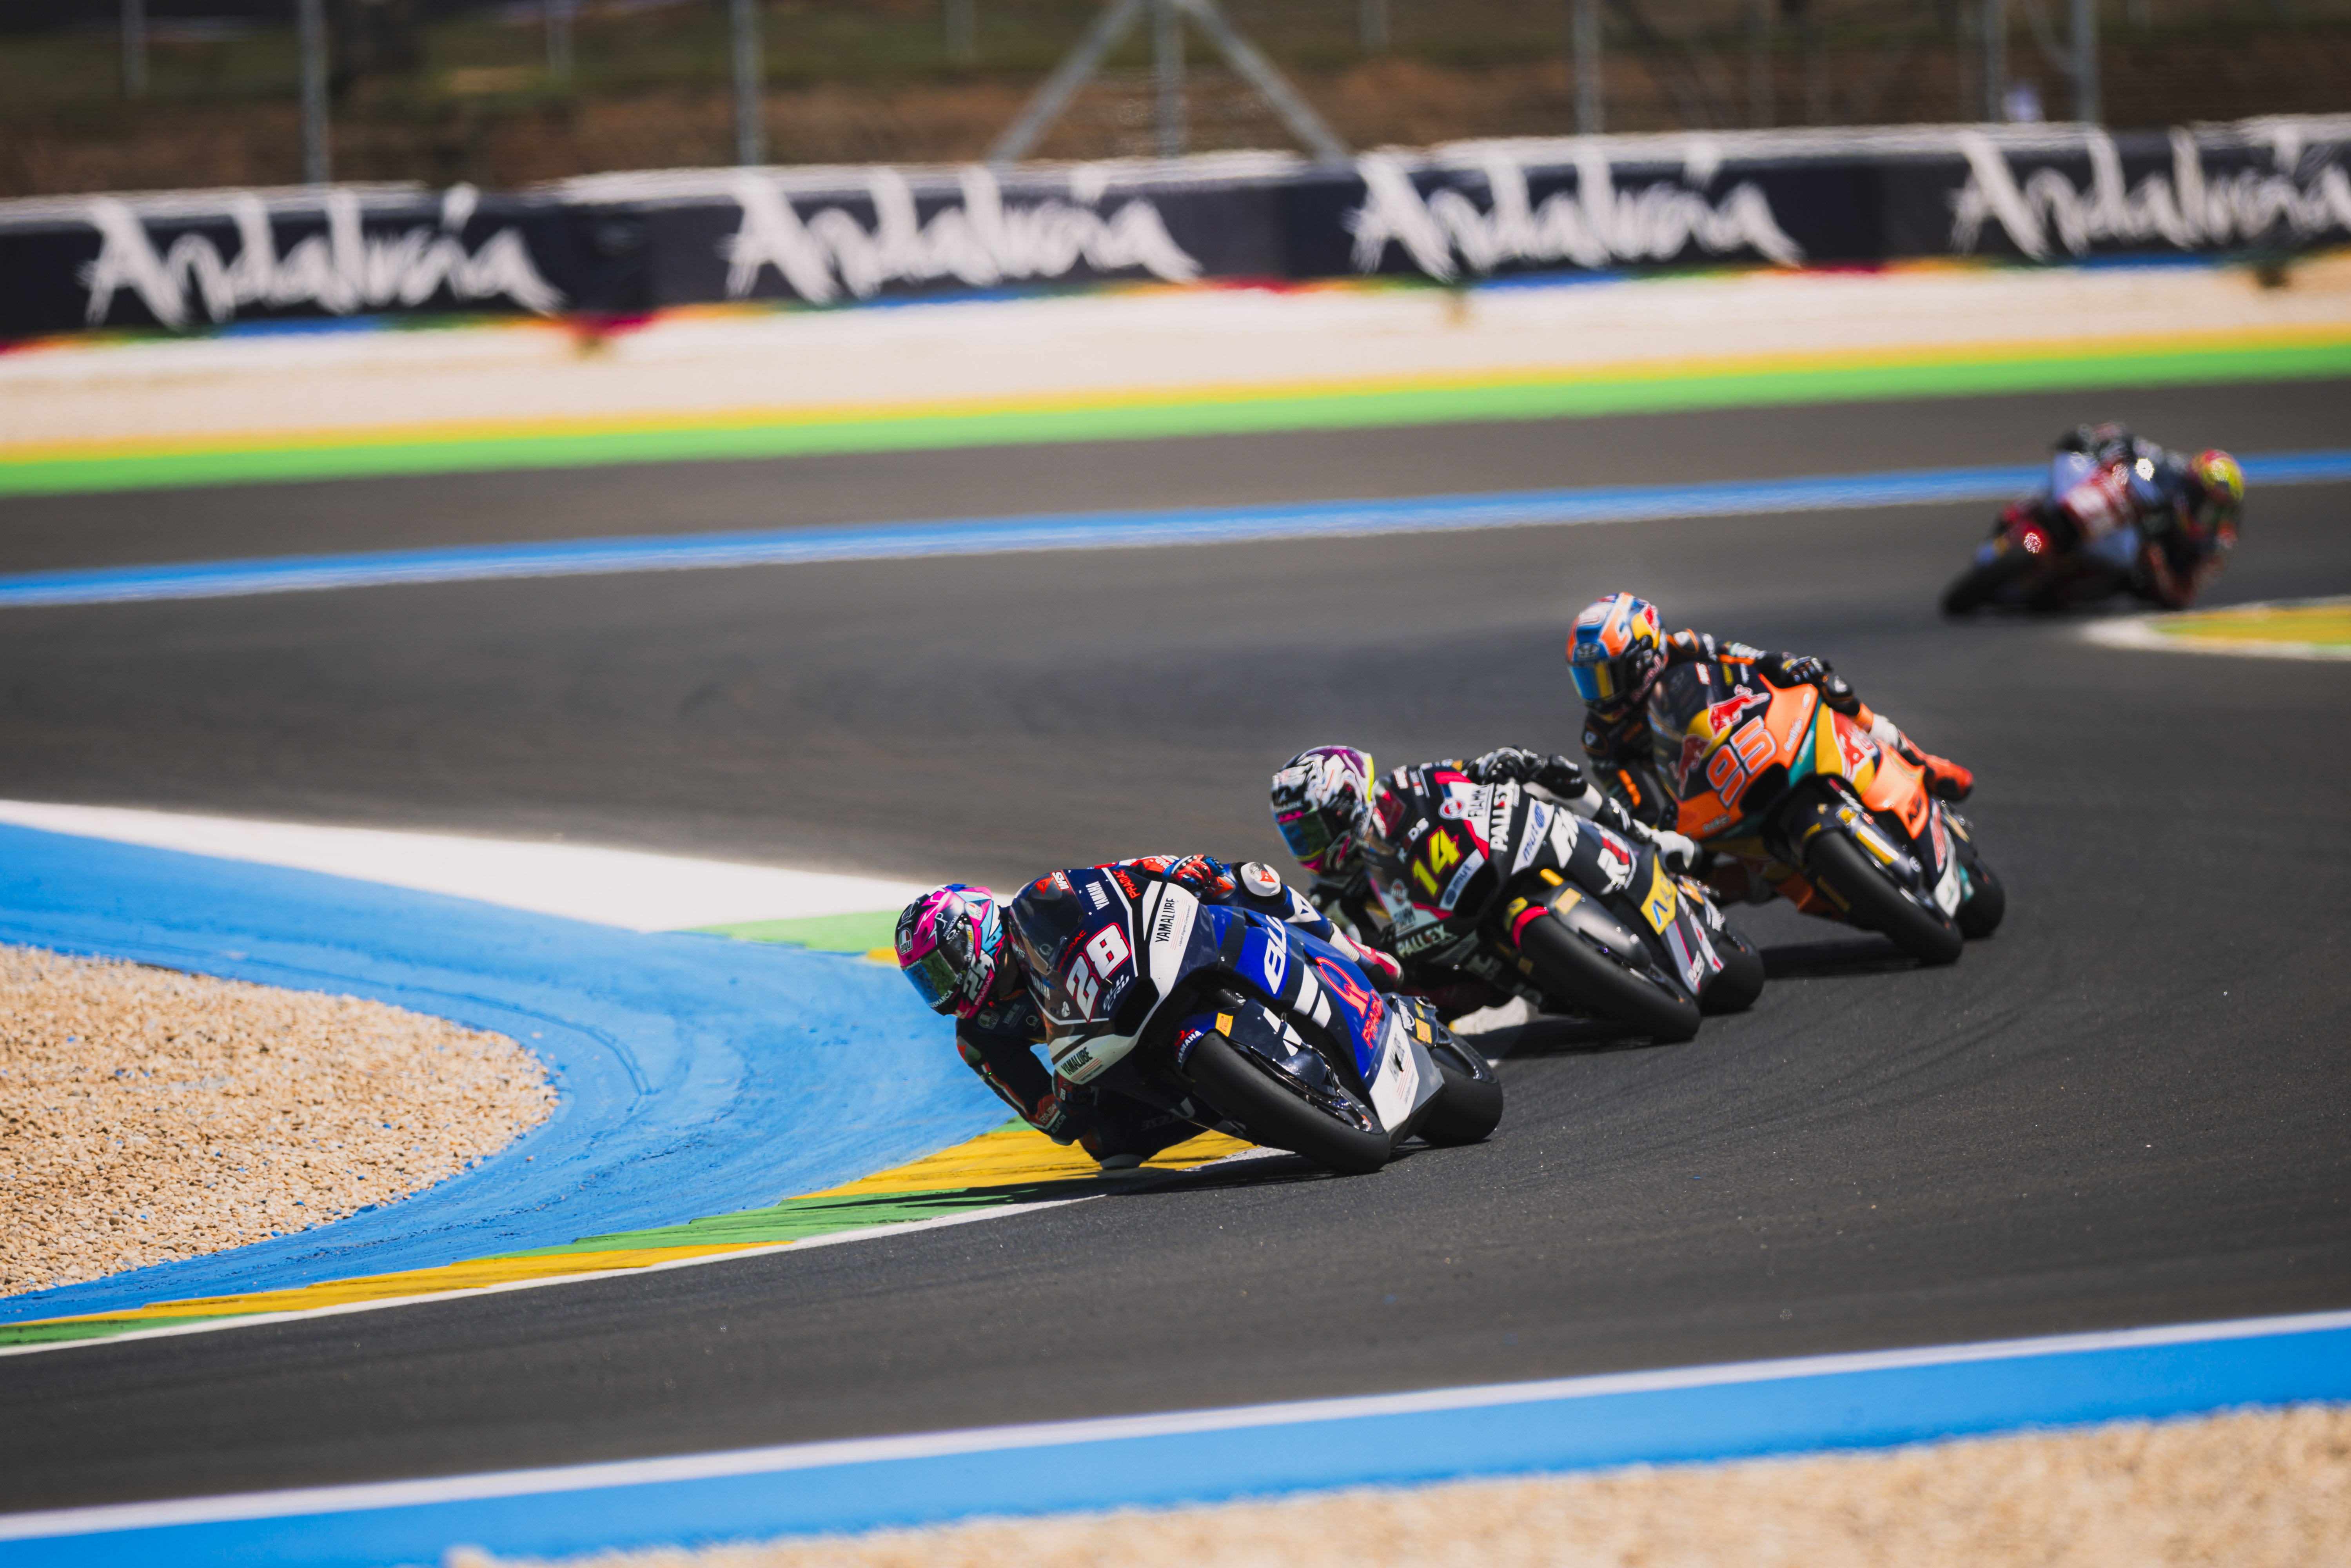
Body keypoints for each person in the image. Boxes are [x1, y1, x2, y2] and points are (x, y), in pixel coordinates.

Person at [893, 855, 1403, 1169]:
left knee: (1245, 879)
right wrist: (1068, 1094)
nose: (943, 987)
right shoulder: (979, 1036)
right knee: (1107, 1144)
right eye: (927, 981)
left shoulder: (1039, 900)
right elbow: (1053, 1120)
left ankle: (1358, 956)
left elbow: (1113, 880)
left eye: (941, 967)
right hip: (1100, 1047)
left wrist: (1173, 868)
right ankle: (1247, 1103)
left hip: (1143, 967)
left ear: (973, 933)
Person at [1269, 744, 1698, 1017]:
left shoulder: (1399, 789)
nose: (1307, 847)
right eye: (1296, 837)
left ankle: (1641, 837)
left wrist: (1493, 764)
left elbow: (1459, 775)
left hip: (1476, 873)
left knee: (1549, 775)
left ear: (1346, 803)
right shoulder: (1329, 898)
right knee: (1407, 994)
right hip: (1446, 952)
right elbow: (1353, 962)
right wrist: (1383, 954)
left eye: (1312, 831)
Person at [1565, 592, 1975, 824]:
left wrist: (1789, 665)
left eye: (1607, 676)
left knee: (1830, 687)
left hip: (1754, 735)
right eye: (1587, 679)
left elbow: (1751, 658)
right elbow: (1636, 807)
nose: (1599, 694)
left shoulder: (1684, 647)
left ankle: (1919, 761)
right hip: (1702, 803)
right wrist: (1662, 826)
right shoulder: (1599, 738)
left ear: (1643, 658)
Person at [2042, 423, 2243, 610]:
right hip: (2130, 524)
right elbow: (2132, 443)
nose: (2208, 516)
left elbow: (2183, 597)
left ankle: (2062, 582)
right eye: (2204, 504)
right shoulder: (2175, 470)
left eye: (2218, 510)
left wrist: (2159, 570)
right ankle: (2054, 516)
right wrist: (2105, 443)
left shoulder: (2218, 544)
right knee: (2091, 461)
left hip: (2138, 570)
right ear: (2191, 490)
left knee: (2087, 589)